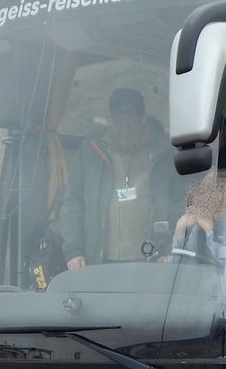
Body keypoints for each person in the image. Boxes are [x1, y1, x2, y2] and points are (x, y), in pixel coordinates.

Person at [57, 87, 177, 268]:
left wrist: (169, 248)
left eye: (132, 121)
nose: (125, 129)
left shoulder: (163, 153)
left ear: (143, 118)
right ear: (110, 120)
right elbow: (73, 203)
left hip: (151, 262)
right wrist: (74, 251)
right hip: (98, 260)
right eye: (119, 122)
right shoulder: (90, 151)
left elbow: (179, 203)